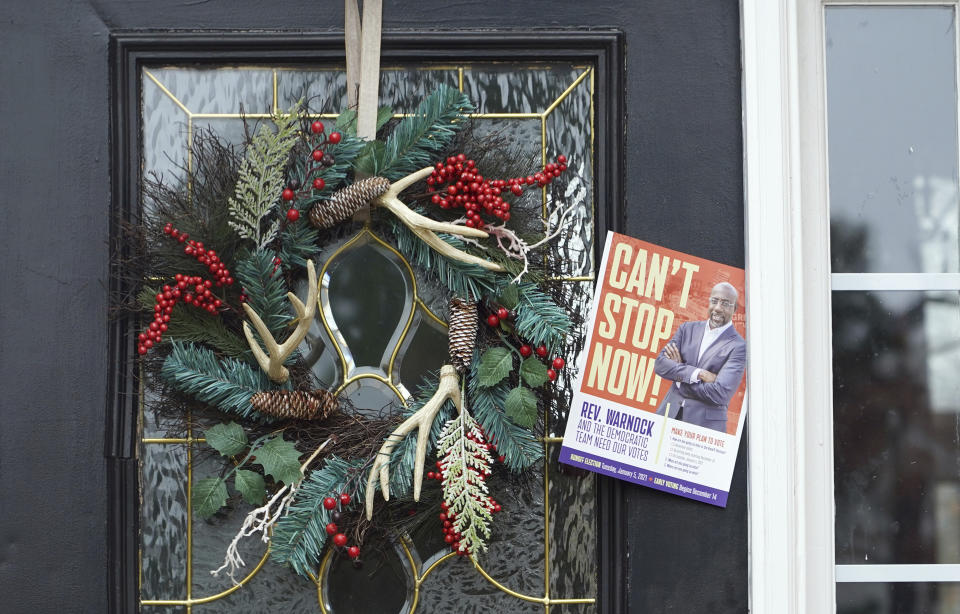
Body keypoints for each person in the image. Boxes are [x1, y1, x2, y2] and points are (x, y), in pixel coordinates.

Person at [653, 282, 746, 433]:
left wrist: (679, 378)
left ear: (734, 309)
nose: (717, 308)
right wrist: (698, 374)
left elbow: (720, 393)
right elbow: (660, 365)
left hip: (704, 429)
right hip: (668, 415)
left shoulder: (739, 346)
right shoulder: (686, 329)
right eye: (714, 301)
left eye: (725, 303)